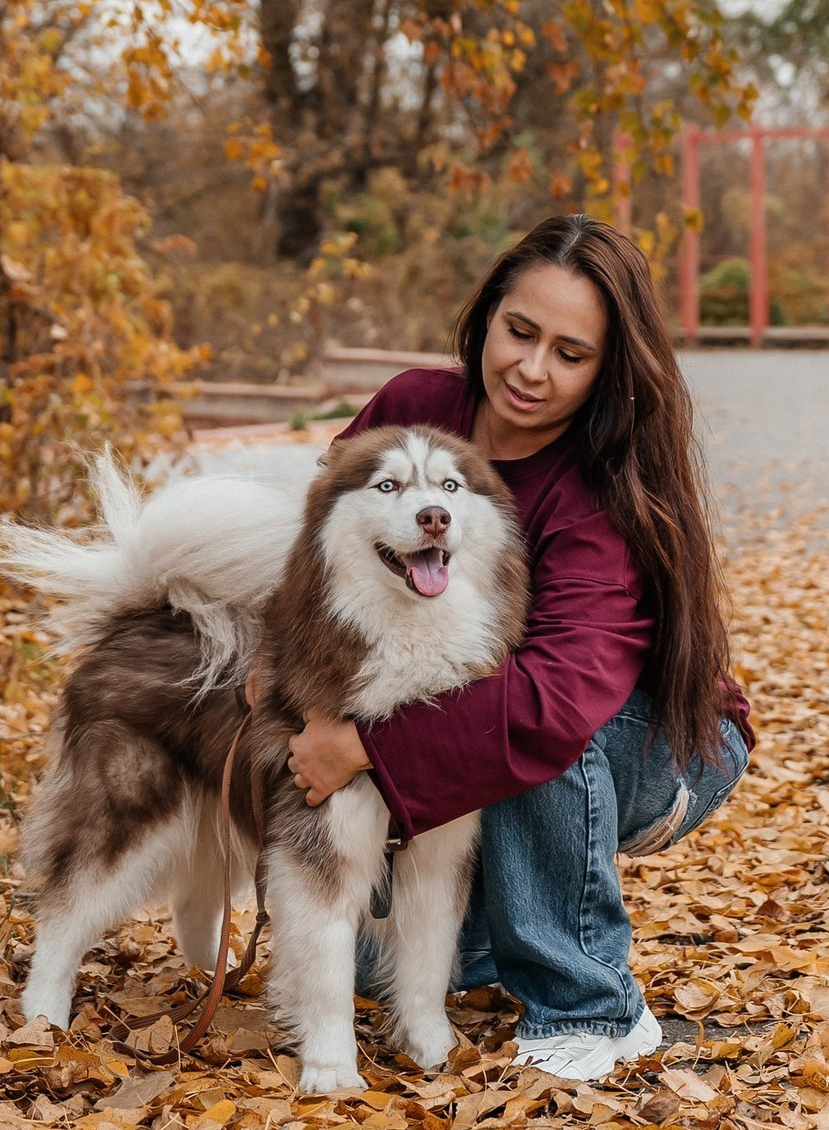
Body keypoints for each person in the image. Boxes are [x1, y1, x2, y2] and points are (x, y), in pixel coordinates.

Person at [284, 213, 753, 1081]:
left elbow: (551, 707)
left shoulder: (603, 491)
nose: (531, 370)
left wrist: (359, 747)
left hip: (650, 746)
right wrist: (281, 686)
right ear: (487, 314)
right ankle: (499, 936)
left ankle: (590, 1006)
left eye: (570, 354)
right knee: (357, 962)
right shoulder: (413, 410)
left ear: (608, 369)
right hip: (475, 716)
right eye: (520, 331)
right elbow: (317, 558)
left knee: (522, 717)